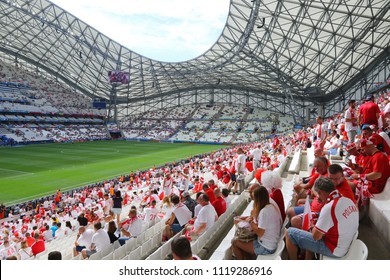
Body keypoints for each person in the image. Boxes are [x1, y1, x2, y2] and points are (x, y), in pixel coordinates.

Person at [286, 177, 359, 259]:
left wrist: (312, 225)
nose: (317, 198)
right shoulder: (348, 201)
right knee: (305, 227)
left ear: (321, 192)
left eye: (318, 194)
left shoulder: (329, 208)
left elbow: (315, 236)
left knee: (289, 233)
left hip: (334, 249)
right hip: (345, 243)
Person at [232, 186, 281, 259]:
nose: (254, 200)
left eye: (254, 198)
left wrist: (250, 222)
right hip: (271, 243)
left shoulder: (264, 212)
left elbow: (260, 233)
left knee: (235, 242)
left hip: (266, 248)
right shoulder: (270, 207)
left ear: (258, 199)